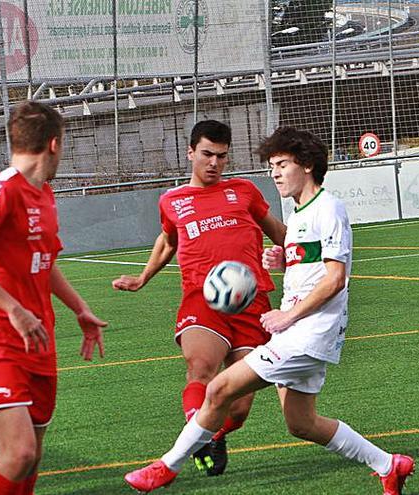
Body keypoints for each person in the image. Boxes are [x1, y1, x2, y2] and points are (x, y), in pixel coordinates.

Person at [123, 126, 415, 494]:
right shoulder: (300, 215)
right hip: (301, 333)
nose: (273, 173)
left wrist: (287, 316)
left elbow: (335, 279)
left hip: (306, 334)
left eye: (280, 164)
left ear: (306, 165)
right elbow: (311, 264)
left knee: (218, 389)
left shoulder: (329, 208)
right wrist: (284, 261)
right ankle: (388, 465)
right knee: (302, 424)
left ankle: (166, 468)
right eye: (271, 166)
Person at [0, 101, 108, 495]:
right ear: (55, 144)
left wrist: (80, 309)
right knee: (18, 453)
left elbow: (45, 260)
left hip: (36, 339)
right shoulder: (0, 191)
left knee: (32, 455)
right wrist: (13, 309)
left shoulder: (44, 194)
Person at [112, 120, 286, 476]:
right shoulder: (172, 201)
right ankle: (199, 437)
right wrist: (143, 277)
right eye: (207, 154)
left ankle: (215, 434)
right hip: (201, 299)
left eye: (222, 157)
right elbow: (168, 242)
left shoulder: (244, 191)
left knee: (238, 409)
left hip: (252, 305)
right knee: (201, 369)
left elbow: (281, 234)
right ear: (191, 152)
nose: (214, 163)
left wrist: (297, 255)